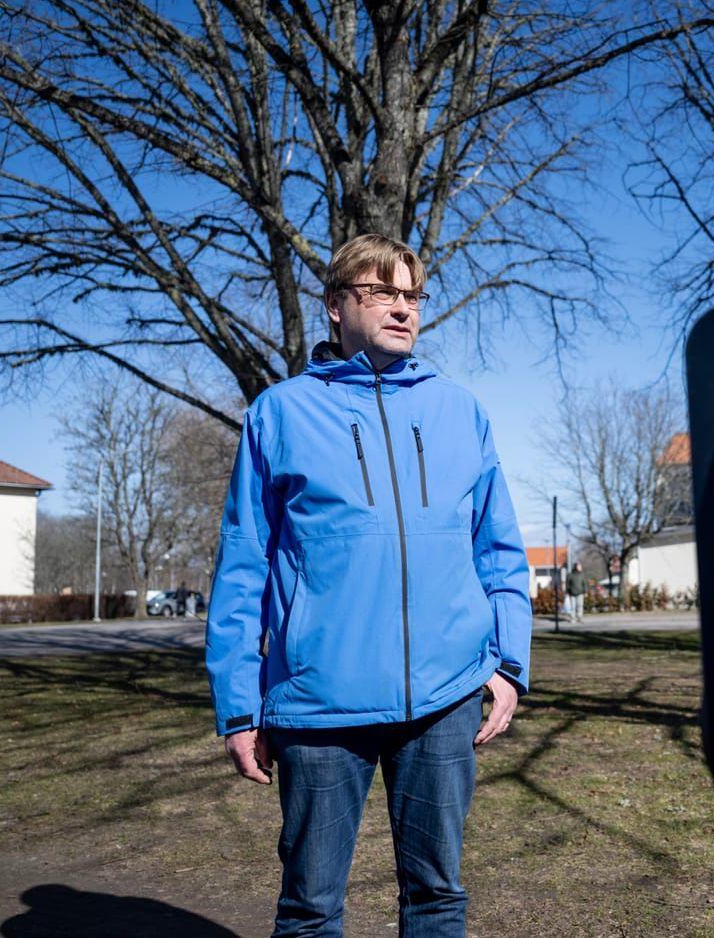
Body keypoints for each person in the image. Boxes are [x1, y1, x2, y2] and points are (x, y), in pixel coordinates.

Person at [204, 234, 532, 938]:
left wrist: (508, 663)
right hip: (320, 701)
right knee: (310, 908)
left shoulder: (461, 411)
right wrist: (238, 707)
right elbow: (244, 566)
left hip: (444, 693)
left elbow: (498, 549)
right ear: (334, 304)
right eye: (382, 292)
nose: (402, 308)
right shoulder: (279, 413)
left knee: (438, 897)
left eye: (412, 295)